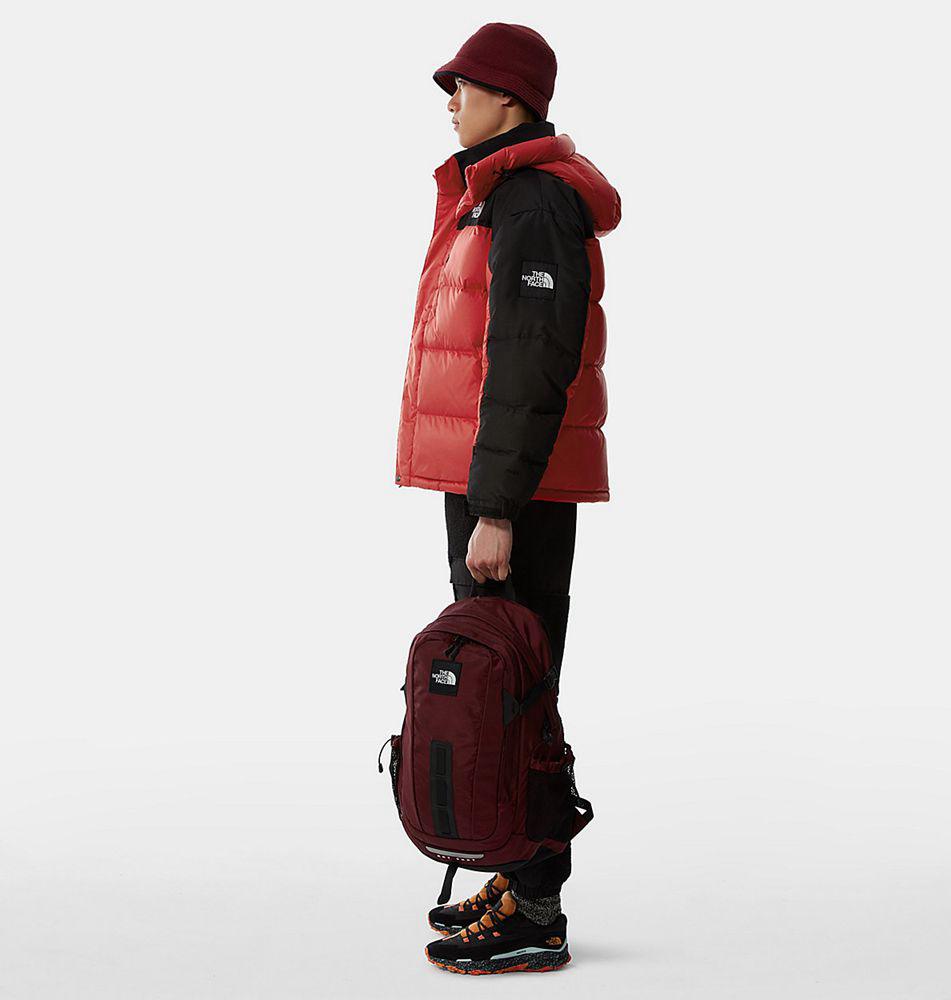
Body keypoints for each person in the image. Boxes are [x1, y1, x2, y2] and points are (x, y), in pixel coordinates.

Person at [393, 22, 621, 974]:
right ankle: (521, 876)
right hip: (495, 476)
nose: (452, 101)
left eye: (467, 85)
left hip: (511, 486)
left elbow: (530, 360)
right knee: (507, 688)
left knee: (517, 694)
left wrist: (495, 509)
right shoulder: (495, 194)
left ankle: (536, 909)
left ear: (513, 98)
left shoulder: (532, 200)